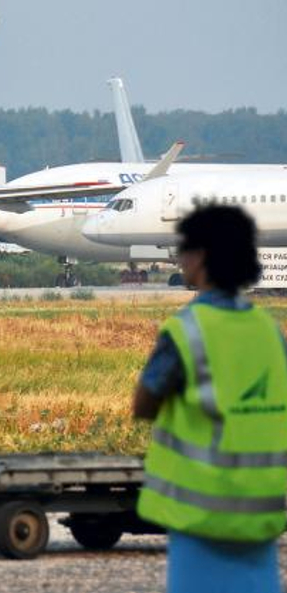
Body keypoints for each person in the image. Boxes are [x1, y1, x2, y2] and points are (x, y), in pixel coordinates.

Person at [133, 206, 287, 593]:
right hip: (263, 509)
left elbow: (143, 404)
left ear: (200, 258)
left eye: (183, 249)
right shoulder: (269, 332)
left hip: (202, 512)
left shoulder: (188, 331)